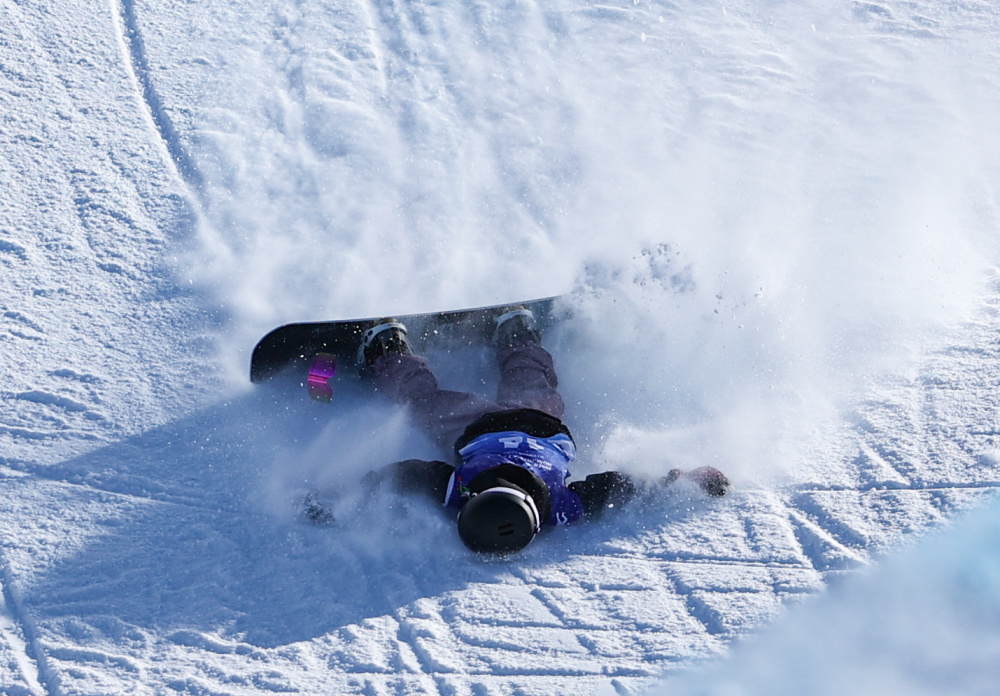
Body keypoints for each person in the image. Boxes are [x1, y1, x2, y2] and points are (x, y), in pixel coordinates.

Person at [321, 307, 728, 555]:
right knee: (425, 401)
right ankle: (391, 347)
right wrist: (343, 497)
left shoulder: (556, 506)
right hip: (482, 427)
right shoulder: (468, 488)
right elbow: (413, 474)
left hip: (541, 425)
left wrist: (682, 480)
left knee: (528, 379)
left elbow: (617, 487)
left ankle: (515, 330)